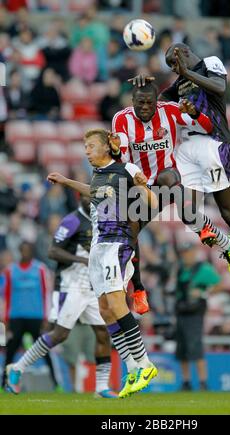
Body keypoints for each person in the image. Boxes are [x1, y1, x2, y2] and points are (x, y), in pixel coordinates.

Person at [130, 43, 230, 305]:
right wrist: (142, 86)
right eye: (172, 68)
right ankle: (225, 244)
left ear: (182, 52)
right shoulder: (180, 82)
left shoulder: (209, 63)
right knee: (186, 209)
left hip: (214, 142)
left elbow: (220, 88)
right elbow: (156, 101)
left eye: (173, 63)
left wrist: (186, 71)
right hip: (188, 148)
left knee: (228, 211)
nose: (174, 70)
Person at [44, 128, 159, 398]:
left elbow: (152, 203)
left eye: (91, 145)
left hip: (116, 243)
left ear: (107, 146)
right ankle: (132, 367)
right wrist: (66, 181)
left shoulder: (126, 168)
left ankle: (144, 363)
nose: (86, 150)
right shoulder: (98, 175)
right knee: (105, 309)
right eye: (85, 146)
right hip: (98, 245)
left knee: (117, 304)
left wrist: (143, 186)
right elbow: (94, 191)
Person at [110, 82, 230, 281]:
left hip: (169, 179)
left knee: (172, 187)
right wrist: (117, 151)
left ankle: (204, 228)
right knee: (130, 232)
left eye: (149, 103)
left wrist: (195, 113)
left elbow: (208, 127)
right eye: (140, 102)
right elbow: (124, 159)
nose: (145, 107)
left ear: (157, 102)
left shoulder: (170, 110)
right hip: (142, 187)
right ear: (132, 101)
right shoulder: (121, 119)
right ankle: (137, 288)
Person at [6, 197, 117, 398]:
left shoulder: (100, 218)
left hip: (91, 286)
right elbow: (53, 251)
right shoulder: (72, 220)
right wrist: (81, 259)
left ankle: (101, 387)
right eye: (85, 195)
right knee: (59, 334)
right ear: (79, 198)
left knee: (103, 332)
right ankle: (17, 368)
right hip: (71, 284)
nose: (90, 199)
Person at [1, 242, 59, 391]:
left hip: (36, 317)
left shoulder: (40, 269)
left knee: (43, 350)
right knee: (11, 351)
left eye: (28, 250)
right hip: (16, 317)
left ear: (32, 252)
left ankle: (56, 384)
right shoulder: (10, 271)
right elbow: (6, 296)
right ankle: (3, 383)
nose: (26, 253)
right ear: (20, 251)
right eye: (23, 250)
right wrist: (5, 319)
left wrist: (47, 317)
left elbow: (47, 293)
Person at [175, 242, 223, 391]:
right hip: (181, 312)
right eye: (183, 253)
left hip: (195, 314)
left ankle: (203, 382)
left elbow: (219, 285)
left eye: (188, 252)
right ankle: (186, 381)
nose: (185, 256)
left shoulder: (203, 269)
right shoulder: (180, 269)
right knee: (182, 349)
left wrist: (203, 293)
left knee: (196, 347)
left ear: (194, 253)